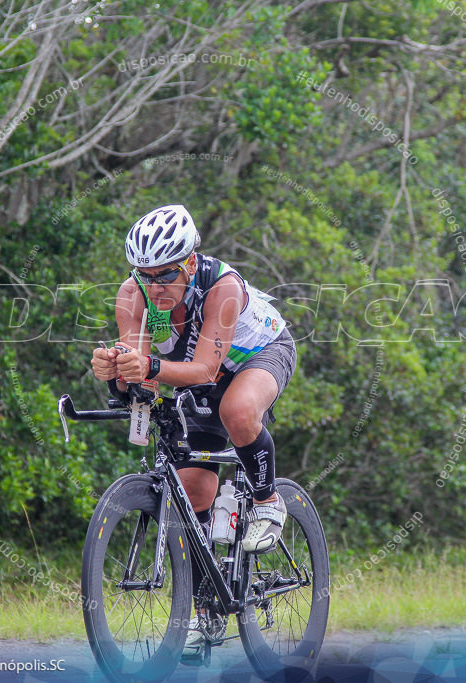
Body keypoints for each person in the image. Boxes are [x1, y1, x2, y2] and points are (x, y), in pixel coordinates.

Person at [90, 204, 297, 660]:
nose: (154, 286)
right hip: (190, 373)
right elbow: (141, 374)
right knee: (195, 491)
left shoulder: (221, 286)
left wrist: (147, 366)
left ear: (188, 263)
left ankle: (266, 500)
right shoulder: (135, 293)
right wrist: (115, 372)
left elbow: (205, 369)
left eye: (164, 275)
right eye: (144, 274)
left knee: (237, 410)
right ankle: (206, 611)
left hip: (256, 357)